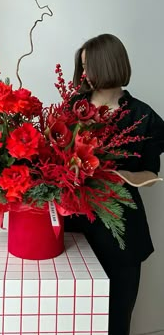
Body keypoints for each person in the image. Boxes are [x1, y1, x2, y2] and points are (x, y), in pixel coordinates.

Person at [64, 33, 164, 335]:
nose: (84, 75)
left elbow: (150, 173)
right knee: (73, 319)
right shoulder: (73, 107)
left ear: (108, 64)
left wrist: (124, 178)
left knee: (115, 321)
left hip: (122, 233)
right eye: (81, 67)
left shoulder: (143, 116)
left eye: (89, 66)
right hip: (74, 229)